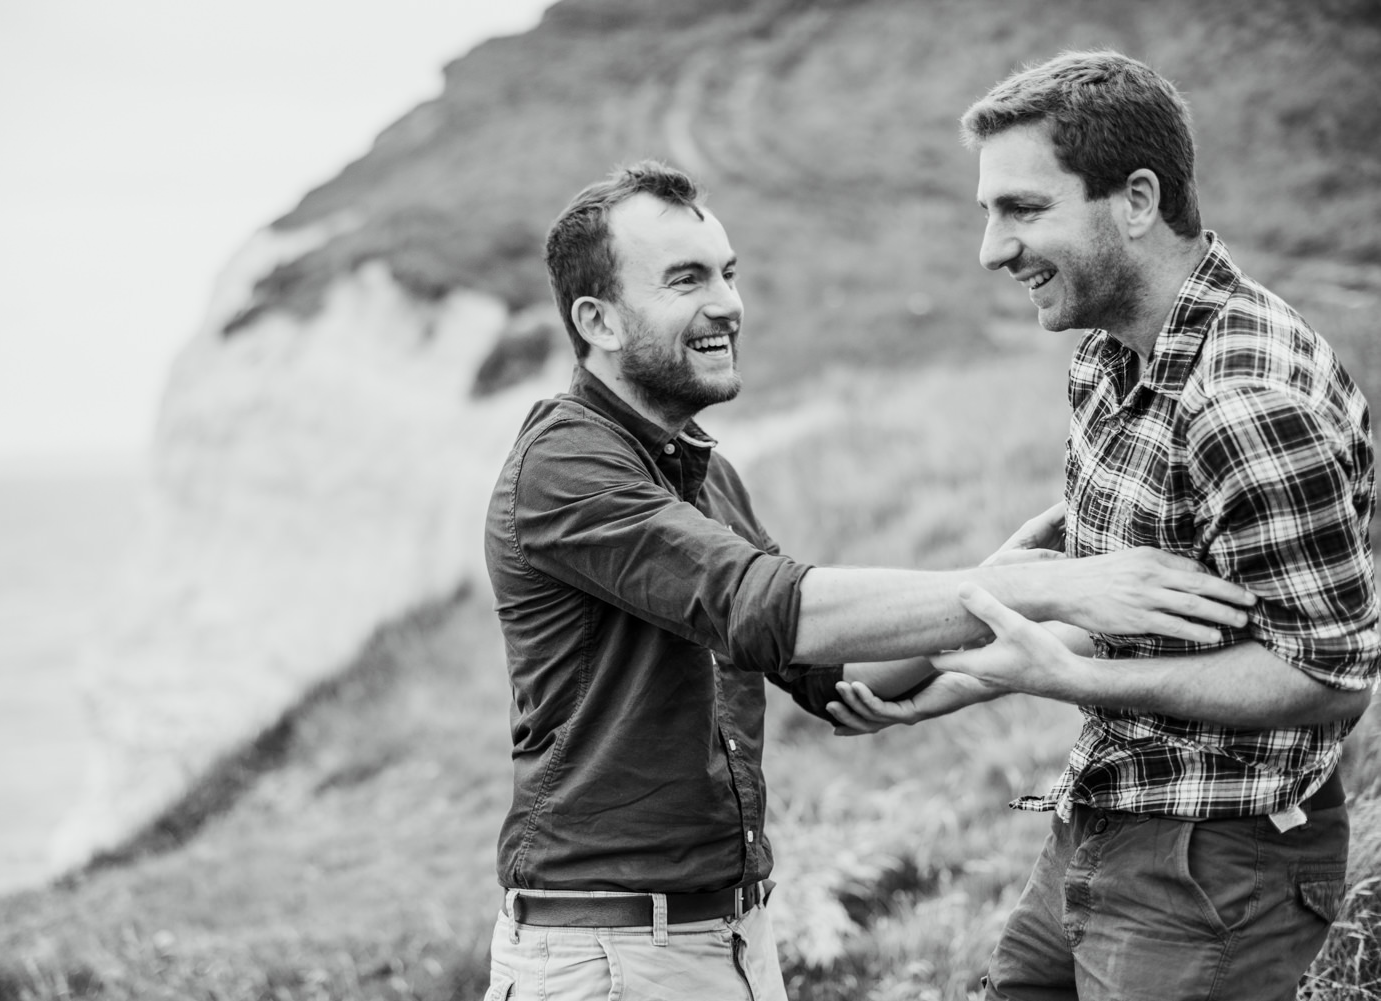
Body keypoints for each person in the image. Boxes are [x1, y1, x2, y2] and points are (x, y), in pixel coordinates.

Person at [480, 159, 1258, 1001]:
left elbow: (839, 679)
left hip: (728, 938)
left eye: (728, 274)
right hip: (609, 957)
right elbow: (764, 606)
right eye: (686, 279)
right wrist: (1053, 590)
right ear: (596, 320)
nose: (727, 304)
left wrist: (995, 588)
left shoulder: (700, 472)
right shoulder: (565, 467)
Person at [832, 51, 1378, 1001]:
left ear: (1135, 199)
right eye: (988, 213)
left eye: (1023, 209)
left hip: (1217, 865)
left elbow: (1330, 676)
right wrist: (971, 676)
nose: (992, 250)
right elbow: (1137, 604)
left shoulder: (1243, 399)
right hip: (1102, 817)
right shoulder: (1107, 361)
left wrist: (1069, 677)